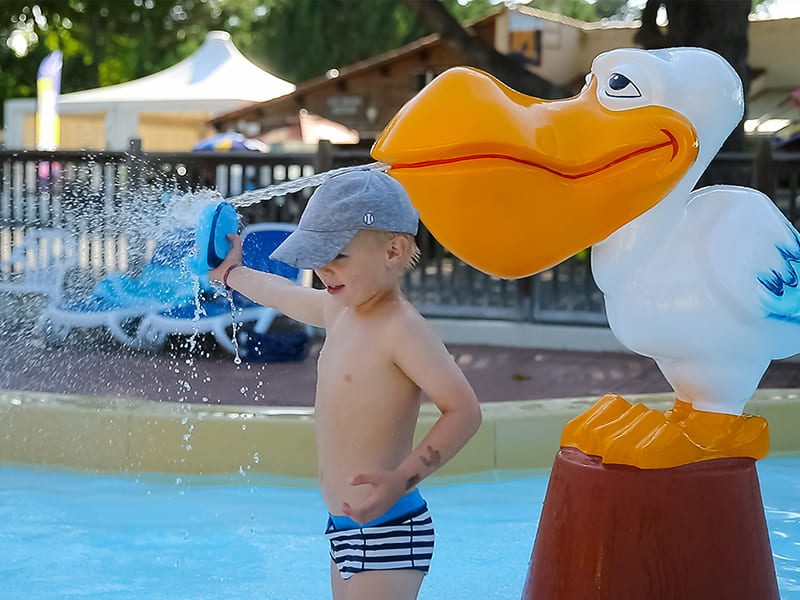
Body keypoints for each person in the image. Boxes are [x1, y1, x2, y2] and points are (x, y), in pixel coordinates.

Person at [208, 170, 482, 600]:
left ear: (393, 251)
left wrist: (401, 479)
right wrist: (232, 275)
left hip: (389, 524)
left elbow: (464, 411)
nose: (322, 271)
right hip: (343, 525)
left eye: (336, 256)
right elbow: (284, 294)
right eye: (316, 256)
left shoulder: (402, 329)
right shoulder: (341, 309)